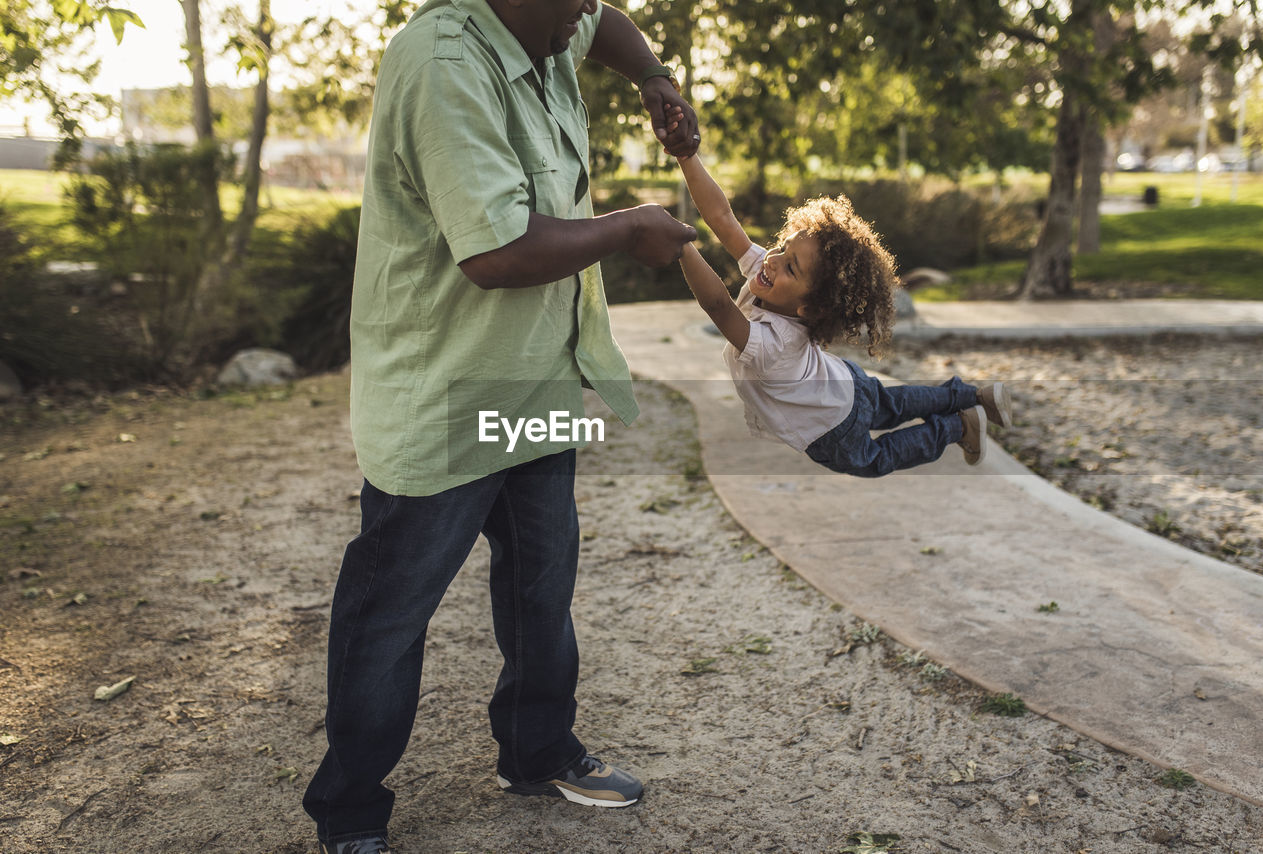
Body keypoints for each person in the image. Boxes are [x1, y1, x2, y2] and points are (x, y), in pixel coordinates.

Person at [302, 1, 701, 851]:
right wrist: (630, 225)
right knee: (389, 613)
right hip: (442, 396)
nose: (587, 10)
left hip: (537, 381)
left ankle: (537, 750)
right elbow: (498, 254)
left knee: (540, 590)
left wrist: (655, 77)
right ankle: (349, 810)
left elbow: (614, 28)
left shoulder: (548, 23)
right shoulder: (443, 64)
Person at [666, 107, 1010, 477]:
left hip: (831, 425)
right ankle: (975, 396)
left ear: (810, 309)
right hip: (843, 382)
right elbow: (722, 217)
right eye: (782, 247)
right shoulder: (771, 276)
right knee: (893, 404)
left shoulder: (773, 346)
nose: (773, 260)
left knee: (875, 458)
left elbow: (718, 305)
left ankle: (959, 426)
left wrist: (682, 246)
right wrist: (687, 155)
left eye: (790, 265)